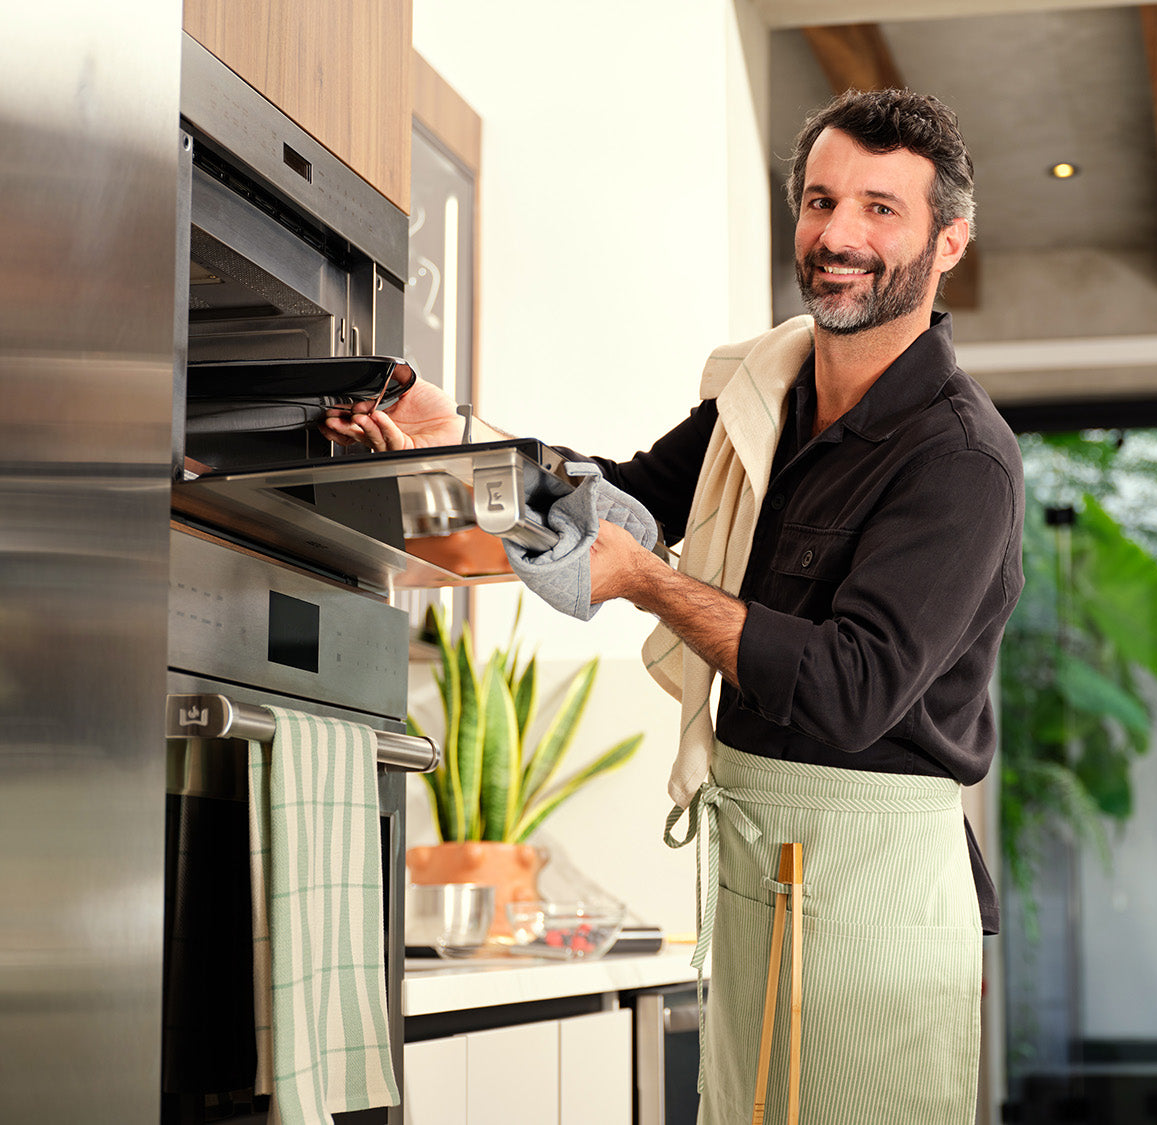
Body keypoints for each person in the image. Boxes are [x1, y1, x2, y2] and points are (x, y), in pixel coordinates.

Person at [325, 88, 1023, 1124]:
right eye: (822, 200)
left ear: (949, 241)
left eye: (881, 209)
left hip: (873, 887)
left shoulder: (961, 461)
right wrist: (453, 438)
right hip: (760, 862)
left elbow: (847, 690)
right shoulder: (765, 392)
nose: (837, 236)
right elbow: (626, 496)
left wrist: (651, 584)